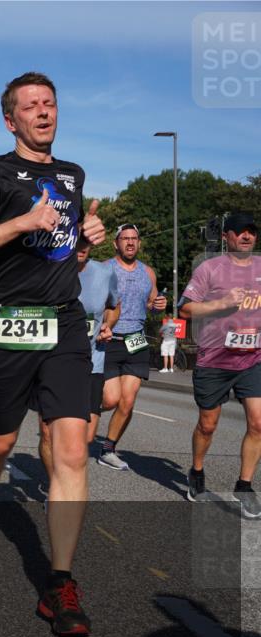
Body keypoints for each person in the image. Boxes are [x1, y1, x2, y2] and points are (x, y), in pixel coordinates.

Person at [0, 72, 106, 636]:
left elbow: (65, 260)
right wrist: (22, 221)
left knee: (71, 450)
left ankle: (59, 583)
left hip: (63, 324)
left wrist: (84, 243)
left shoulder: (72, 175)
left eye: (50, 104)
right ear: (10, 120)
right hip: (8, 324)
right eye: (30, 106)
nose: (43, 112)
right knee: (2, 440)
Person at [180, 212, 261, 517]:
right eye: (240, 231)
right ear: (227, 236)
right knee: (208, 424)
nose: (247, 236)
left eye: (251, 231)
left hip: (253, 358)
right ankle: (197, 471)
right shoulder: (209, 269)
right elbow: (186, 309)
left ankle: (244, 485)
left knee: (258, 422)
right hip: (214, 359)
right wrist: (222, 303)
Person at [36, 242, 120, 494]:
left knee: (85, 438)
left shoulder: (105, 273)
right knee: (48, 433)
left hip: (90, 361)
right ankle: (56, 487)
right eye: (77, 240)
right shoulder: (46, 270)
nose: (82, 246)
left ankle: (65, 474)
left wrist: (108, 325)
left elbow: (114, 306)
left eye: (87, 242)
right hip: (50, 362)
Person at [98, 224, 168, 470]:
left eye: (134, 239)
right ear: (115, 243)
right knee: (110, 399)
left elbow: (152, 303)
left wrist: (158, 305)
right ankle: (80, 411)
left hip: (136, 341)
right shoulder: (105, 269)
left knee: (127, 402)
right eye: (125, 239)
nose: (130, 242)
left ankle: (108, 449)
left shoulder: (148, 272)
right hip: (109, 341)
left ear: (139, 243)